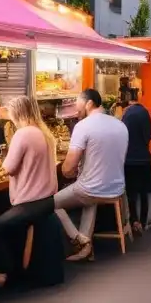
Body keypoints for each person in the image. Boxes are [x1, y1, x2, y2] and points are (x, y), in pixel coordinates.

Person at [0, 96, 58, 288]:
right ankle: (12, 270)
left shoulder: (23, 134)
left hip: (29, 202)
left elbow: (9, 168)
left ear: (17, 113)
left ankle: (5, 273)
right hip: (45, 200)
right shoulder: (43, 132)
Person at [53, 88, 129, 261]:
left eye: (77, 104)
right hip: (117, 188)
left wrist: (66, 169)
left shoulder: (83, 126)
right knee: (89, 198)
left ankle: (79, 239)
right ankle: (86, 250)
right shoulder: (120, 125)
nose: (75, 109)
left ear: (89, 103)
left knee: (51, 204)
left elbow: (68, 168)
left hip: (91, 189)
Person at [122, 88, 151, 235]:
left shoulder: (126, 114)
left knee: (131, 193)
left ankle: (134, 221)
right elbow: (149, 135)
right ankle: (143, 221)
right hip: (145, 159)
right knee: (144, 193)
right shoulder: (145, 113)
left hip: (129, 160)